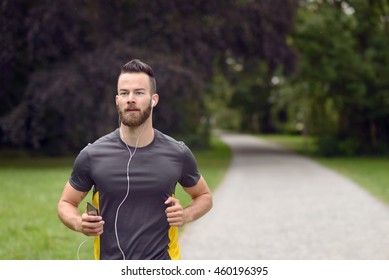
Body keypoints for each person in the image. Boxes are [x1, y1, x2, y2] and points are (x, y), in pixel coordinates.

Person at [57, 59, 213, 260]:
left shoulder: (177, 153)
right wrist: (79, 222)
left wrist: (186, 215)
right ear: (117, 100)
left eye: (139, 93)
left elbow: (204, 196)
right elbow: (65, 203)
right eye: (124, 93)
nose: (131, 99)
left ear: (153, 99)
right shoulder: (92, 155)